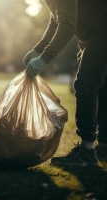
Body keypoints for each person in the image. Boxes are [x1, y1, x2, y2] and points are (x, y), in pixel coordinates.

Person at [23, 0, 107, 167]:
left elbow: (68, 26)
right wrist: (37, 50)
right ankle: (104, 146)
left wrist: (44, 59)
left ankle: (87, 151)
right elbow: (57, 20)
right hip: (93, 32)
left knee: (86, 83)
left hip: (101, 27)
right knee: (101, 85)